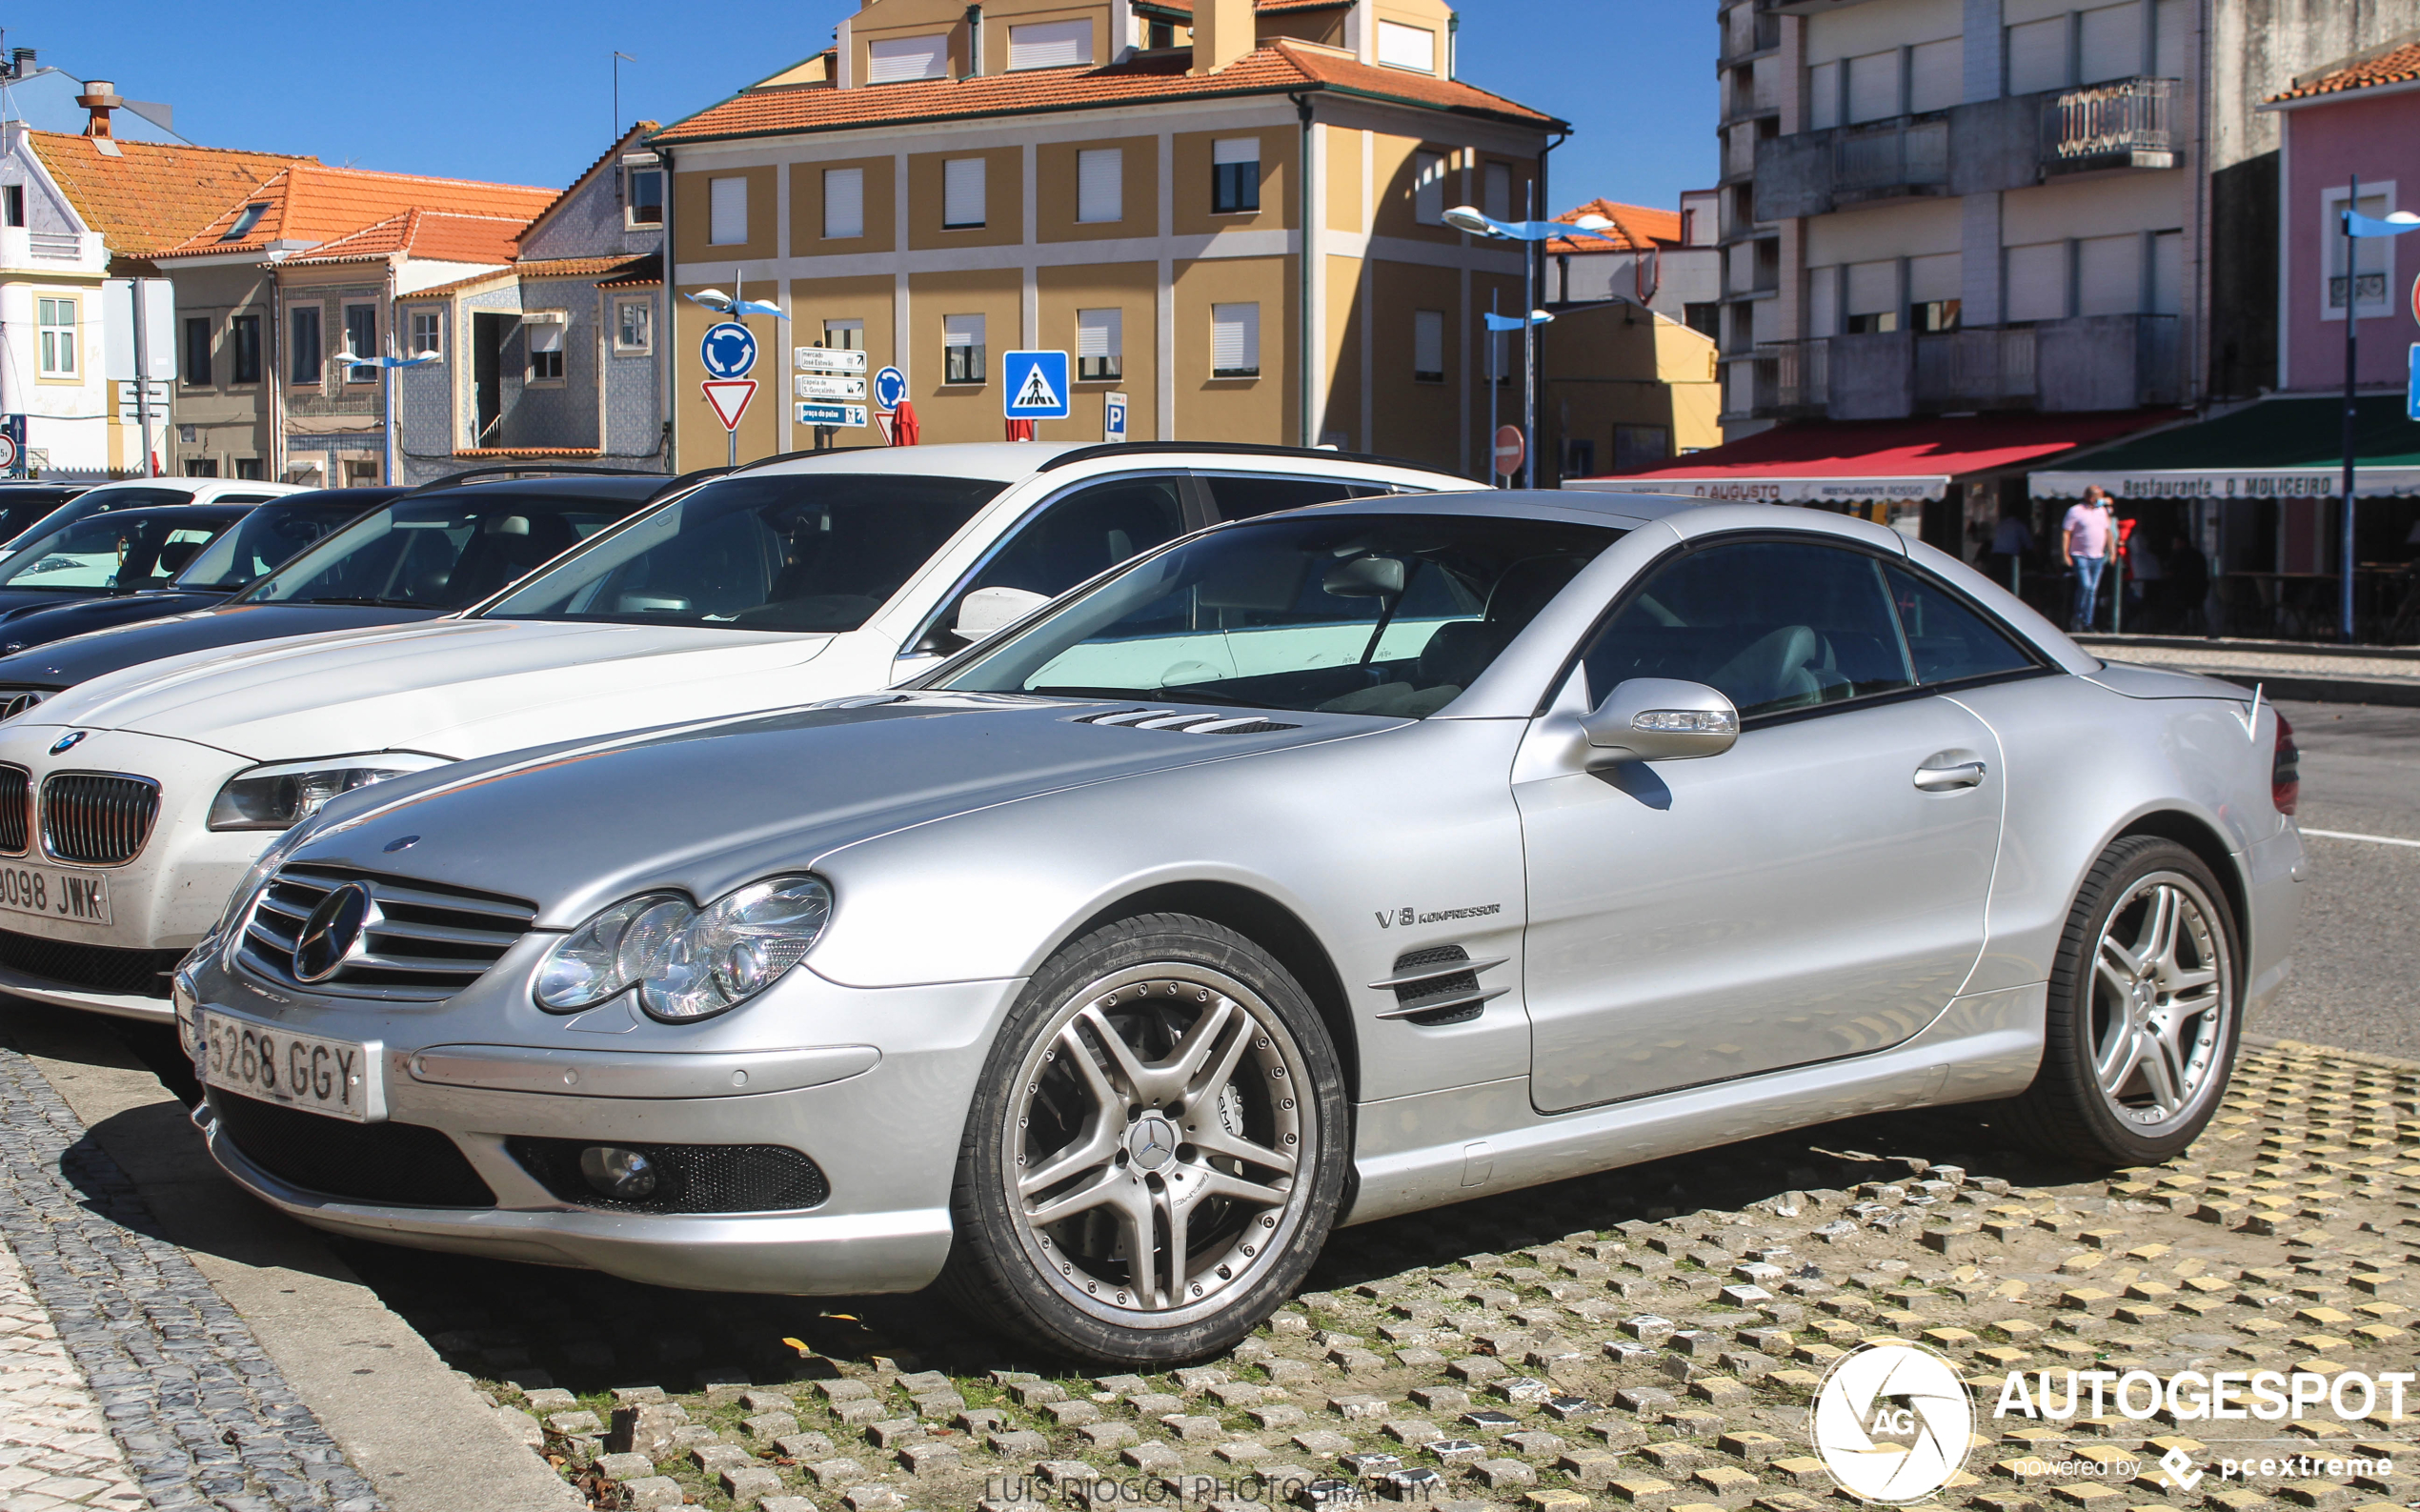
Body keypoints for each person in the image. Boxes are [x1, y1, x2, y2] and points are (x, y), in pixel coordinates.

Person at [2062, 486, 2115, 632]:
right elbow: (2066, 533)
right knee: (2085, 585)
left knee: (2092, 589)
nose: (2101, 500)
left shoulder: (2102, 511)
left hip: (2098, 556)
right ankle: (2077, 617)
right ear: (2090, 497)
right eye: (2099, 497)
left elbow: (2107, 531)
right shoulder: (2075, 511)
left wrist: (2112, 551)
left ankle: (2087, 622)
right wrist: (2065, 553)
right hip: (2080, 554)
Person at [2166, 529, 2209, 635]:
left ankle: (2177, 627)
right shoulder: (2199, 555)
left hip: (2182, 591)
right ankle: (2195, 627)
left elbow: (2169, 573)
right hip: (2200, 591)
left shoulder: (2178, 555)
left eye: (2175, 542)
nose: (2173, 545)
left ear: (2182, 542)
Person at [1988, 508, 2034, 593]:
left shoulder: (2000, 524)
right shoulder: (2019, 525)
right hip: (2008, 558)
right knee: (2008, 585)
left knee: (1996, 584)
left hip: (1995, 557)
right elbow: (2029, 545)